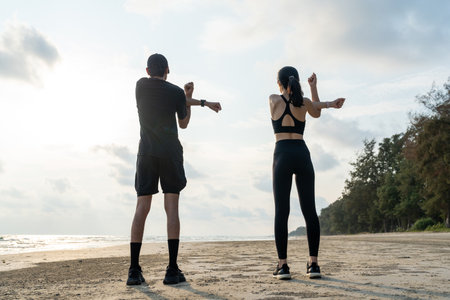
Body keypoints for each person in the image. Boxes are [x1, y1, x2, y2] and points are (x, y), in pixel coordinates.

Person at [127, 53, 222, 286]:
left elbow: (169, 97)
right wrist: (192, 98)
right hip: (170, 153)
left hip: (146, 153)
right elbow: (184, 122)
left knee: (142, 208)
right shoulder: (176, 92)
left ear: (148, 70)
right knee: (172, 209)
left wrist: (197, 100)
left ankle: (134, 270)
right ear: (167, 70)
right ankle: (171, 269)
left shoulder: (140, 86)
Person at [270, 66, 345, 280]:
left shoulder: (273, 99)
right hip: (302, 154)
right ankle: (313, 265)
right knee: (309, 210)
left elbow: (311, 106)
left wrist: (323, 100)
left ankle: (283, 266)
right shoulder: (303, 103)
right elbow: (317, 112)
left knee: (281, 211)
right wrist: (315, 89)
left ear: (279, 83)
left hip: (282, 154)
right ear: (297, 81)